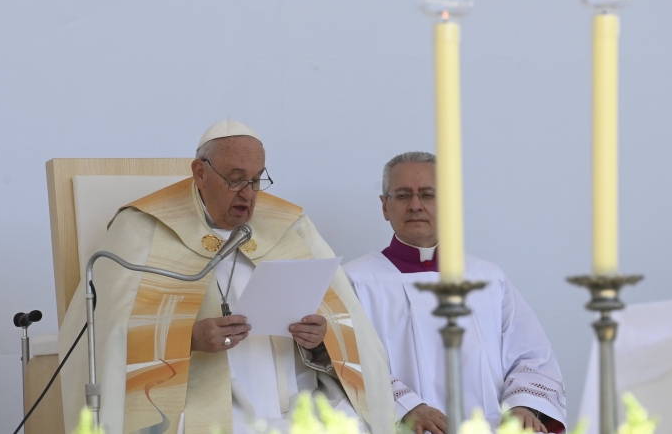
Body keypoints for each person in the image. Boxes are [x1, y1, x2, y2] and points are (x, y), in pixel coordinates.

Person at [59, 120, 400, 434]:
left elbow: (348, 326)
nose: (248, 194)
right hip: (199, 404)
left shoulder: (289, 224)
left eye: (256, 180)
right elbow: (107, 335)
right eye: (235, 179)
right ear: (200, 173)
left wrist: (320, 338)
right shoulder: (143, 228)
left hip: (299, 397)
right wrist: (186, 339)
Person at [343, 151, 568, 434]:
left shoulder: (488, 279)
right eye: (402, 195)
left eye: (428, 194)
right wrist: (406, 407)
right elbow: (345, 363)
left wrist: (522, 407)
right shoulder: (353, 281)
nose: (415, 205)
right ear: (385, 206)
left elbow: (532, 357)